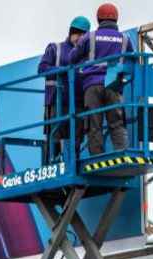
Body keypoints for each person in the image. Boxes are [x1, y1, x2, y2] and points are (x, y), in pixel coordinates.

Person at [69, 3, 133, 155]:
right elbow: (133, 61)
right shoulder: (125, 39)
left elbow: (72, 57)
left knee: (94, 124)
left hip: (92, 86)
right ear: (116, 19)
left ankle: (97, 157)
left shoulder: (89, 37)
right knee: (117, 123)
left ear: (98, 19)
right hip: (114, 85)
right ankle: (122, 153)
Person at [38, 16, 91, 160]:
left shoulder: (86, 54)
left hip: (78, 102)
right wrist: (62, 71)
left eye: (82, 35)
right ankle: (52, 165)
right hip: (57, 101)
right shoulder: (56, 48)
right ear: (71, 32)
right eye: (76, 34)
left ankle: (71, 165)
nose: (78, 38)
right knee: (54, 139)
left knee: (76, 139)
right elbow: (42, 69)